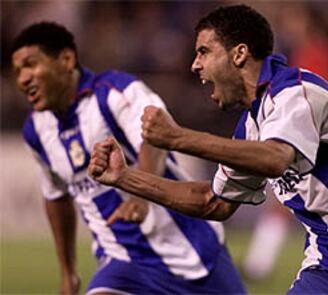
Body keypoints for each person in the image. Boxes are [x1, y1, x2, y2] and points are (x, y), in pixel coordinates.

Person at [89, 4, 328, 294]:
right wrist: (123, 178)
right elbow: (211, 203)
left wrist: (177, 138)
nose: (194, 65)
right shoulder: (251, 127)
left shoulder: (296, 91)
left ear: (239, 54)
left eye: (203, 52)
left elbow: (275, 158)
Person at [11, 22, 246, 295]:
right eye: (17, 71)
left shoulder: (114, 92)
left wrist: (141, 196)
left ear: (66, 59)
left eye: (31, 64)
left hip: (192, 250)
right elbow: (56, 196)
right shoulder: (36, 131)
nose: (23, 78)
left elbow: (155, 137)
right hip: (122, 264)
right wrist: (68, 273)